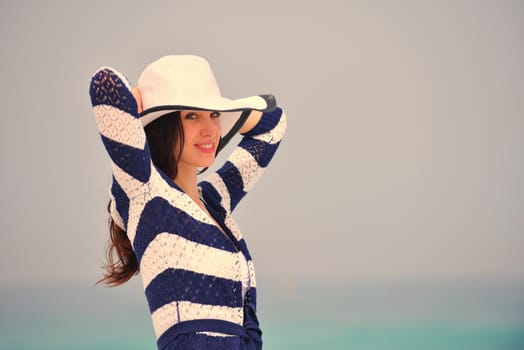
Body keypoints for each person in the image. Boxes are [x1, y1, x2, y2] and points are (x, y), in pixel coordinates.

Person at [88, 55, 286, 350]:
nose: (210, 130)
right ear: (163, 124)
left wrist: (233, 111)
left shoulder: (215, 201)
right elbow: (104, 84)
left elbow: (273, 126)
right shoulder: (148, 196)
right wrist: (140, 104)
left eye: (215, 115)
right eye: (192, 116)